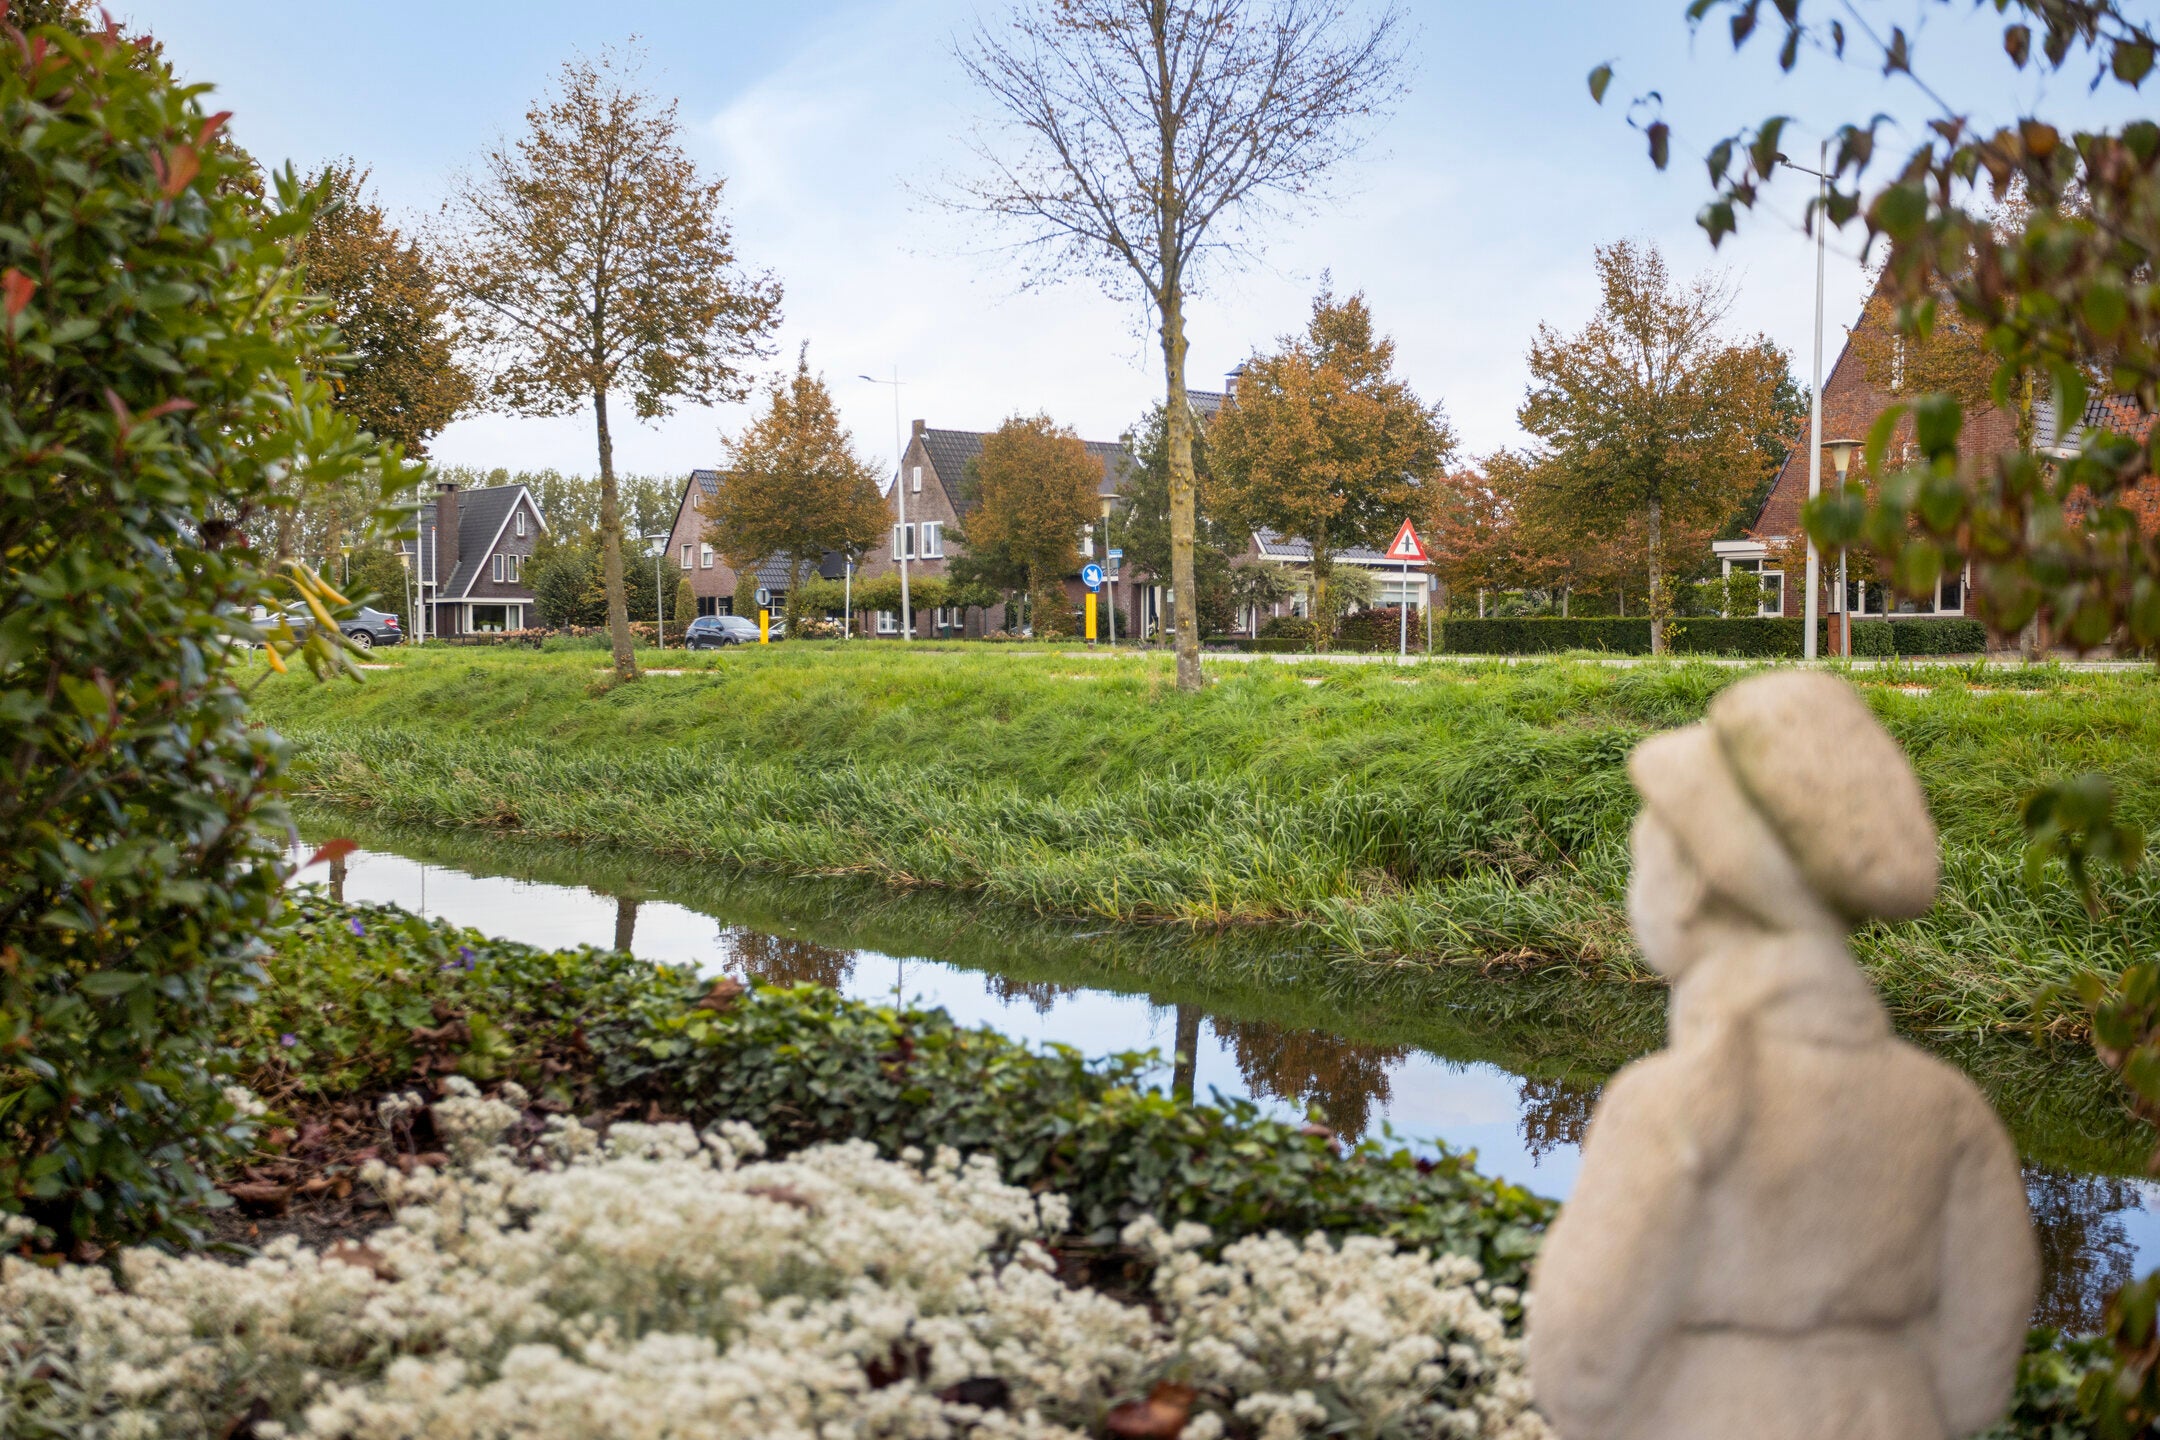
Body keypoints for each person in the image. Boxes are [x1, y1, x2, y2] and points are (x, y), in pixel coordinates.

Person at [1527, 671, 2036, 1440]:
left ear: (1692, 886)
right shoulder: (1948, 1106)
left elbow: (1577, 1365)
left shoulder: (1668, 1102)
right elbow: (1982, 1355)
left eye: (1641, 859)